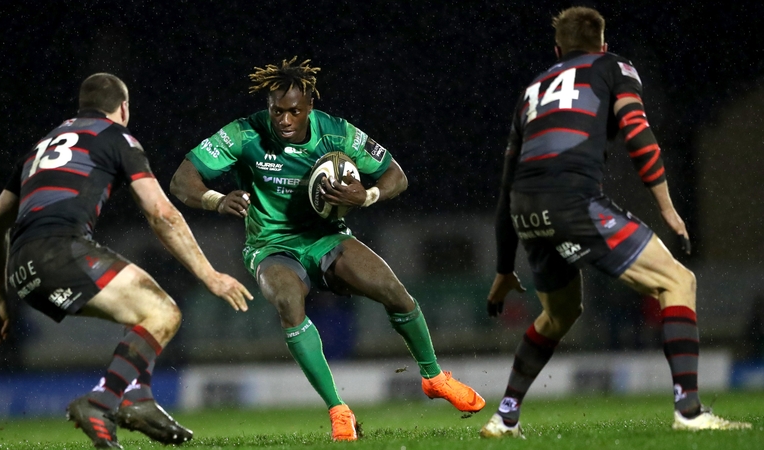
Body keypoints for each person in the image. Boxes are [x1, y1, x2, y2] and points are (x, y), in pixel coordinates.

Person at [170, 57, 485, 441]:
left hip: (327, 238)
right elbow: (182, 179)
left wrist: (366, 195)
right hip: (270, 246)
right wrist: (216, 200)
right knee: (288, 301)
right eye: (277, 111)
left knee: (394, 292)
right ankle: (339, 410)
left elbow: (396, 176)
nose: (284, 120)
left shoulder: (336, 133)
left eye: (294, 111)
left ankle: (434, 378)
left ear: (310, 107)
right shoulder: (244, 133)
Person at [480, 7, 751, 438]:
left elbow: (506, 184)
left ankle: (505, 416)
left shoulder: (533, 89)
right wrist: (667, 208)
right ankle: (689, 411)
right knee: (678, 281)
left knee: (559, 314)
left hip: (525, 210)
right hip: (572, 201)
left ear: (558, 50)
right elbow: (638, 133)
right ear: (603, 45)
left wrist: (503, 268)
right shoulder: (613, 67)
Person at [0, 73, 253, 449]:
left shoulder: (41, 147)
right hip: (61, 250)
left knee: (141, 307)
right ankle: (102, 402)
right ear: (123, 108)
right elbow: (161, 213)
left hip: (22, 267)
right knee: (164, 313)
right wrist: (210, 275)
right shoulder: (116, 137)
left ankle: (138, 399)